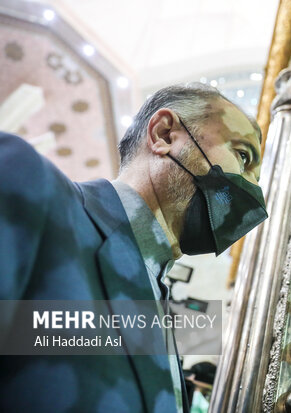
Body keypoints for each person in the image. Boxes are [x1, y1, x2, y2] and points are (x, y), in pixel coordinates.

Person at [0, 83, 267, 412]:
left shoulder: (167, 318)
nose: (252, 187)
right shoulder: (28, 182)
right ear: (165, 134)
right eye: (243, 155)